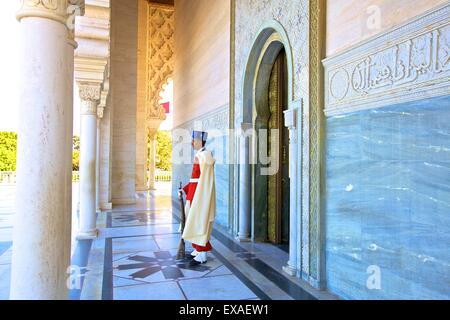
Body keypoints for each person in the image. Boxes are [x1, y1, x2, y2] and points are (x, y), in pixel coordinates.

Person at [182, 131, 216, 265]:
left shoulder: (204, 155)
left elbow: (203, 180)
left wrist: (197, 194)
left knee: (198, 220)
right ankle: (197, 248)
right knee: (192, 219)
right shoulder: (200, 155)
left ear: (200, 141)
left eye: (193, 140)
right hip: (193, 192)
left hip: (199, 194)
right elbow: (195, 178)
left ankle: (202, 253)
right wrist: (185, 189)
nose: (192, 143)